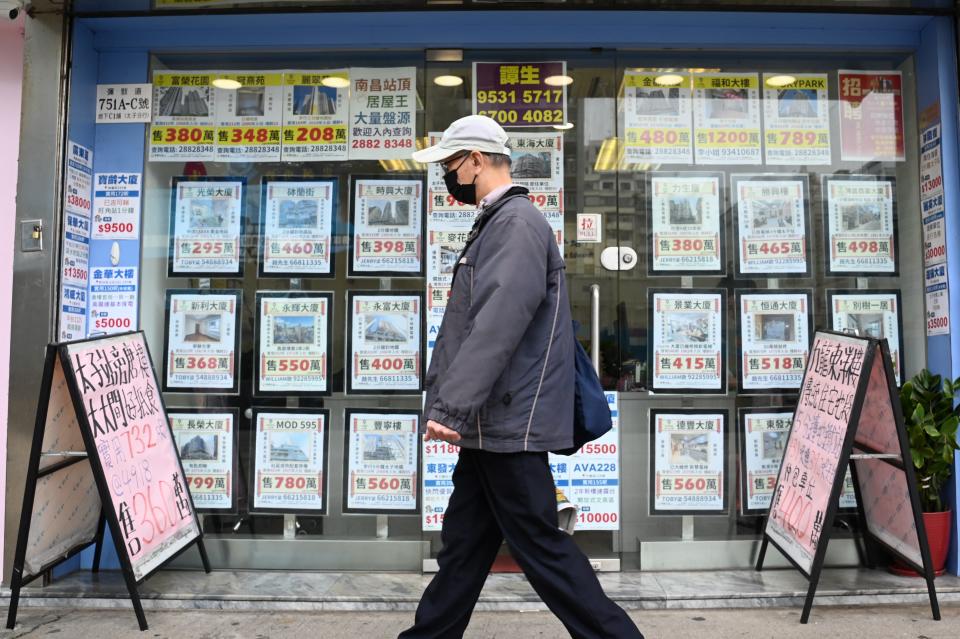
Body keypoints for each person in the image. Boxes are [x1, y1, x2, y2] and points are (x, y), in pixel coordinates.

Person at [399, 115, 643, 639]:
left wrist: (450, 407)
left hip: (509, 423)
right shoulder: (500, 221)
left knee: (543, 549)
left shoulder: (515, 224)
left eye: (450, 164)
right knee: (464, 546)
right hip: (494, 426)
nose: (447, 175)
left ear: (477, 161)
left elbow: (496, 324)